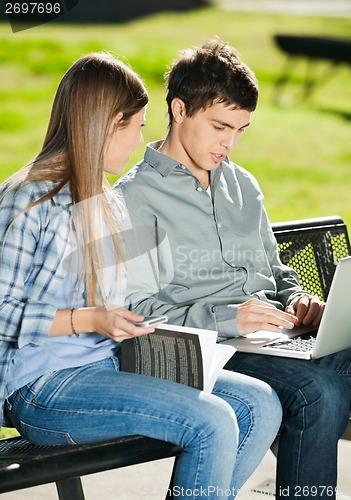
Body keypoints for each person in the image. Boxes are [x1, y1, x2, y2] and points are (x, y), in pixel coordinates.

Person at [0, 52, 282, 499]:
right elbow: (3, 313)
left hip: (111, 364)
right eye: (136, 127)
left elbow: (125, 304)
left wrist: (137, 329)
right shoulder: (27, 200)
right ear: (108, 124)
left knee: (259, 403)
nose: (138, 142)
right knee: (212, 420)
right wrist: (89, 319)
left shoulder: (108, 202)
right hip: (44, 388)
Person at [116, 39, 351, 500]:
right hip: (211, 352)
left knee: (328, 379)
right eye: (220, 126)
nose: (230, 142)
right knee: (319, 392)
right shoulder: (134, 198)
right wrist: (230, 316)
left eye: (241, 129)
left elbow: (276, 272)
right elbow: (135, 312)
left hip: (280, 340)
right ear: (179, 109)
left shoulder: (243, 184)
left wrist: (298, 301)